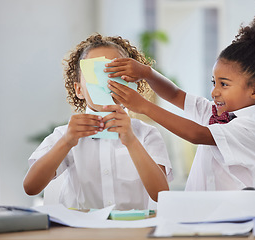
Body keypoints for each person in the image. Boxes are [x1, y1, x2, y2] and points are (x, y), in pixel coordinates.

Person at [103, 10, 255, 191]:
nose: (214, 92)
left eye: (224, 84)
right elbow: (175, 95)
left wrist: (145, 107)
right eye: (214, 82)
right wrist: (147, 73)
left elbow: (196, 134)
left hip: (242, 220)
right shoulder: (216, 113)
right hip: (203, 216)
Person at [23, 34, 173, 210]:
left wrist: (132, 141)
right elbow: (31, 187)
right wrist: (66, 142)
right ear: (79, 89)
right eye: (96, 73)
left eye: (116, 73)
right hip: (81, 232)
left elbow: (161, 194)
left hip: (132, 230)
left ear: (131, 81)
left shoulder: (147, 134)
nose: (107, 82)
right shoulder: (65, 135)